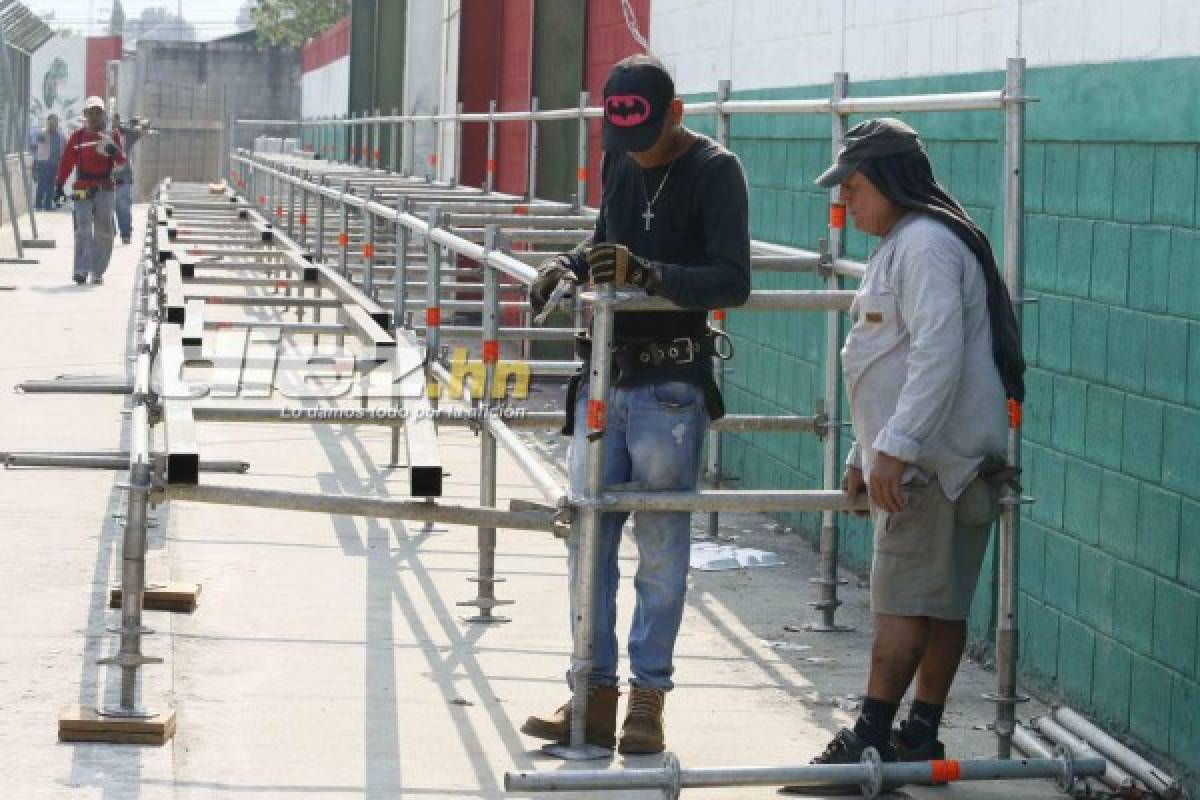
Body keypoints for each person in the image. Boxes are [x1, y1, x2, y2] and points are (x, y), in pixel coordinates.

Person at [780, 118, 1024, 795]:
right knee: (938, 604)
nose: (847, 201)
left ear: (888, 181)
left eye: (854, 188)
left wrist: (896, 450)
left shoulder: (923, 246)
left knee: (903, 603)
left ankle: (871, 739)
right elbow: (890, 360)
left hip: (931, 464)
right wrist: (869, 446)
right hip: (939, 456)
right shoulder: (911, 242)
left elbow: (936, 355)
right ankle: (918, 735)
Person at [520, 54, 751, 755]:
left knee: (660, 549)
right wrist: (569, 264)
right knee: (588, 539)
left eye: (648, 135)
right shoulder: (623, 159)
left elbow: (731, 280)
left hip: (668, 385)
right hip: (605, 378)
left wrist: (649, 274)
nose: (637, 151)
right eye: (625, 138)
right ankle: (591, 692)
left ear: (675, 114)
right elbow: (604, 243)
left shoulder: (716, 171)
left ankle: (647, 701)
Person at [56, 97, 126, 285]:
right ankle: (81, 270)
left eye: (98, 112)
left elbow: (121, 162)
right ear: (85, 115)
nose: (94, 116)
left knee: (104, 230)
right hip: (82, 188)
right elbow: (66, 162)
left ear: (103, 114)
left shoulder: (112, 135)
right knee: (82, 229)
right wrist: (59, 185)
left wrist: (112, 149)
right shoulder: (77, 137)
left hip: (105, 188)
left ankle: (97, 271)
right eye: (90, 112)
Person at [110, 113, 144, 245]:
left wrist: (130, 126)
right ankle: (110, 232)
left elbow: (139, 132)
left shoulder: (126, 135)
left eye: (114, 121)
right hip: (105, 176)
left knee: (122, 205)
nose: (112, 124)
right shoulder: (101, 133)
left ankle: (125, 234)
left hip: (123, 176)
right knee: (105, 206)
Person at [31, 114, 65, 211]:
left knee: (51, 185)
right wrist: (35, 163)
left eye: (55, 121)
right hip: (43, 162)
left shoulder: (61, 136)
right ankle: (38, 204)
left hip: (55, 163)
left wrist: (61, 162)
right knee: (41, 184)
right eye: (51, 121)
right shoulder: (42, 133)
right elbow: (35, 146)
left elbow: (63, 148)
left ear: (58, 122)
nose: (53, 123)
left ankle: (48, 205)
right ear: (48, 122)